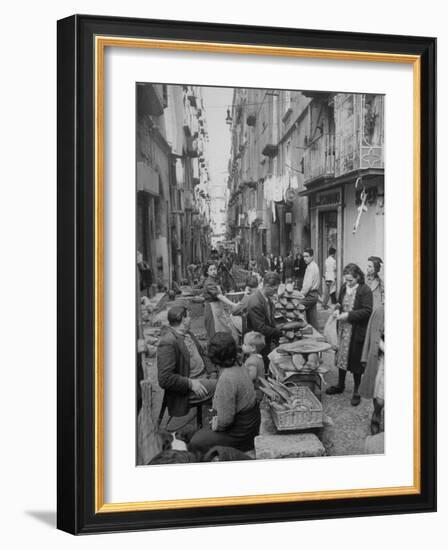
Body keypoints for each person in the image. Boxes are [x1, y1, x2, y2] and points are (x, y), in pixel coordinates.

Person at [189, 333, 261, 454]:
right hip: (252, 419)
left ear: (214, 356)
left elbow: (225, 421)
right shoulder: (239, 363)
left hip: (242, 431)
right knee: (201, 431)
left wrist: (215, 424)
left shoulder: (227, 378)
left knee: (195, 442)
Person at [157, 306, 218, 418]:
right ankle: (225, 424)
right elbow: (164, 379)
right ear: (183, 319)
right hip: (187, 389)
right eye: (189, 316)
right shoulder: (168, 342)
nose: (191, 319)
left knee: (228, 373)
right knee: (224, 386)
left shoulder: (188, 334)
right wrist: (190, 383)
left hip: (204, 376)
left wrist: (213, 372)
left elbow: (202, 354)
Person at [326, 263, 373, 406]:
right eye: (346, 280)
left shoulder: (365, 290)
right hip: (343, 329)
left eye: (351, 280)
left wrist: (348, 315)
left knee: (356, 361)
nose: (348, 282)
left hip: (356, 330)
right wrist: (337, 310)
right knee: (341, 356)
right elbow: (340, 303)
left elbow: (367, 311)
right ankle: (340, 385)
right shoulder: (343, 287)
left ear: (358, 277)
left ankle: (357, 391)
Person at [246, 271, 283, 371]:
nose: (276, 292)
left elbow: (270, 320)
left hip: (265, 340)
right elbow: (261, 328)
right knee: (261, 368)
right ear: (267, 286)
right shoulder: (255, 302)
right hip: (257, 343)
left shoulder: (267, 299)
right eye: (274, 289)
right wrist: (280, 332)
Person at [359, 305, 385, 434]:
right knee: (380, 395)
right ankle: (377, 415)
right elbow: (371, 335)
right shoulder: (381, 311)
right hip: (383, 358)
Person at [203, 261, 239, 342]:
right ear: (207, 272)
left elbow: (222, 294)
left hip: (218, 307)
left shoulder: (215, 280)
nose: (213, 271)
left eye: (214, 269)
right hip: (212, 309)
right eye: (211, 269)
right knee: (214, 331)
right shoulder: (209, 282)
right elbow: (219, 296)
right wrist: (233, 304)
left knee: (224, 328)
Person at [297, 248, 321, 330]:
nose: (305, 258)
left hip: (310, 294)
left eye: (307, 256)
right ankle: (317, 336)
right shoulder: (314, 265)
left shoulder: (311, 267)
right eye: (304, 256)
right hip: (313, 294)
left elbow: (307, 285)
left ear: (312, 257)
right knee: (312, 319)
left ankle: (297, 327)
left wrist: (300, 295)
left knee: (296, 306)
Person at [242, 331, 266, 401]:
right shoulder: (259, 357)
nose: (242, 346)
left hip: (255, 392)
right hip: (260, 390)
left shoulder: (251, 361)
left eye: (245, 344)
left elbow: (251, 378)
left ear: (253, 348)